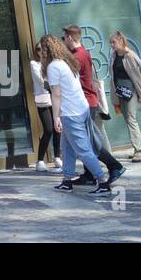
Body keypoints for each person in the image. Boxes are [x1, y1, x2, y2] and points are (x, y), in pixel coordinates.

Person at [42, 34, 113, 195]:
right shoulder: (67, 62)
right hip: (81, 108)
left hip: (70, 113)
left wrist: (56, 117)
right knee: (67, 147)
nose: (41, 53)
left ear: (47, 50)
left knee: (83, 149)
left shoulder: (53, 67)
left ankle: (102, 182)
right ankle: (67, 180)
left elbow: (56, 94)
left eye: (42, 49)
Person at [62, 26, 124, 186]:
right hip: (86, 102)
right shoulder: (81, 53)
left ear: (69, 38)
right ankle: (89, 174)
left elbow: (67, 79)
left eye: (64, 39)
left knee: (90, 142)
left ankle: (114, 166)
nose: (63, 42)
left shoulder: (78, 56)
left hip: (86, 103)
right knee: (87, 141)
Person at [110, 31, 141, 162]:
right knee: (128, 119)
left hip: (130, 91)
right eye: (111, 42)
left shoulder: (130, 55)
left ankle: (139, 150)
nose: (112, 45)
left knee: (131, 119)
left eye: (113, 42)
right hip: (120, 91)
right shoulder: (114, 56)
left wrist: (140, 91)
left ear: (121, 41)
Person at [30, 41, 60, 172]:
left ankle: (57, 157)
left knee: (57, 128)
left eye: (44, 49)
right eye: (38, 49)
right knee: (48, 129)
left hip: (55, 97)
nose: (41, 52)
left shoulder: (52, 63)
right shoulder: (34, 64)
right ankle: (40, 160)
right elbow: (41, 81)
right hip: (43, 99)